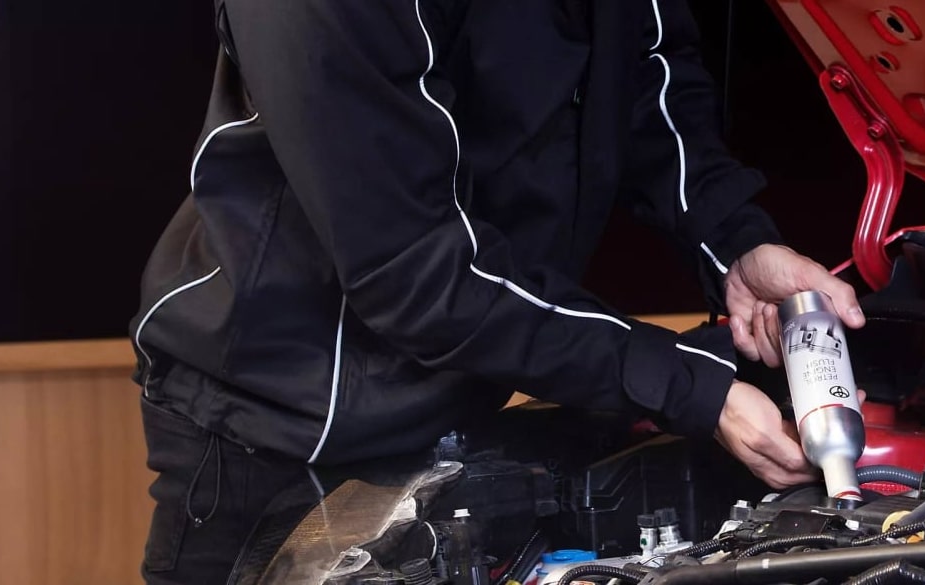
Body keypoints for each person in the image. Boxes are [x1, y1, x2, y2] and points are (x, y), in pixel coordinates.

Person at [128, 0, 857, 582]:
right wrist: (692, 386)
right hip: (278, 427)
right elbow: (416, 271)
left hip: (463, 401)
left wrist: (734, 244)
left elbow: (647, 74)